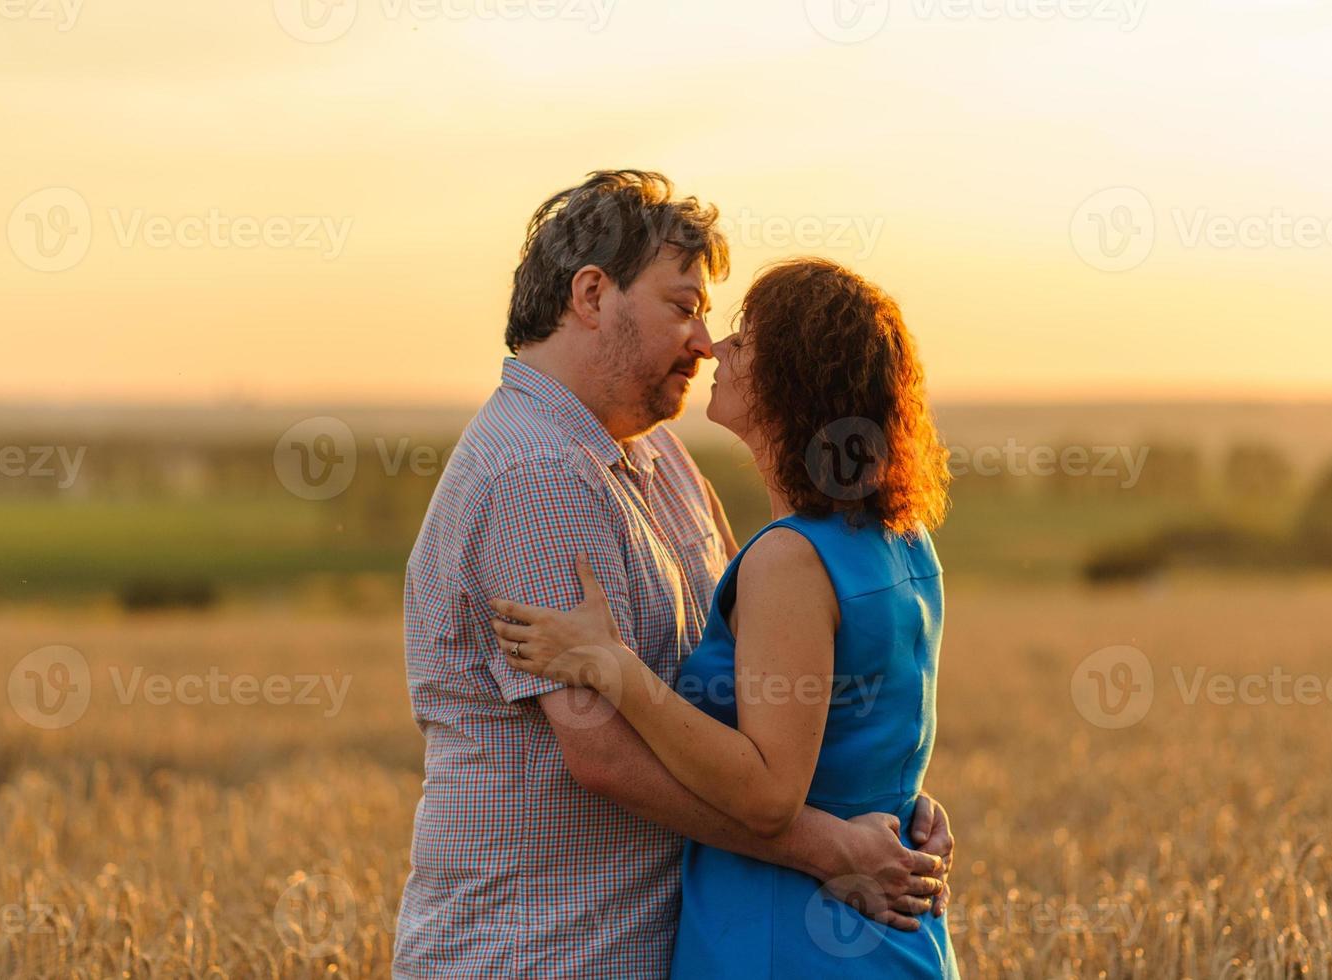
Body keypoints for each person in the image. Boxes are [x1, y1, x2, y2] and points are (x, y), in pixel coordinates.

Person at [394, 171, 952, 980]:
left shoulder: (657, 451)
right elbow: (604, 759)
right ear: (592, 294)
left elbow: (778, 675)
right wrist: (832, 845)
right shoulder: (535, 477)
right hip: (541, 954)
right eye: (682, 307)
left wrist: (887, 803)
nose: (703, 342)